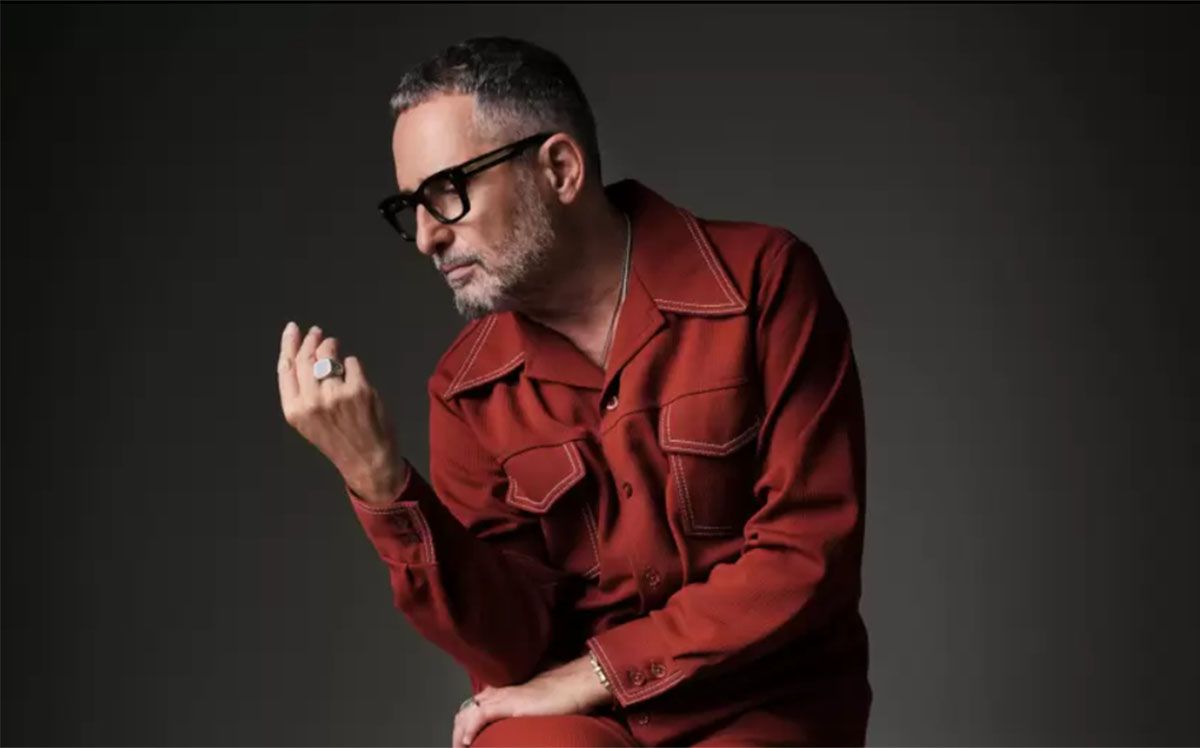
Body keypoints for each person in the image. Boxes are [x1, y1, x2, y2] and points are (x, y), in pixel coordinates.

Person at [276, 36, 870, 748]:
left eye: (447, 193)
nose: (428, 236)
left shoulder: (763, 283)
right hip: (586, 721)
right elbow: (511, 651)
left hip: (762, 705)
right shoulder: (465, 390)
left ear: (559, 168)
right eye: (411, 207)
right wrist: (378, 482)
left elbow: (807, 554)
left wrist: (599, 671)